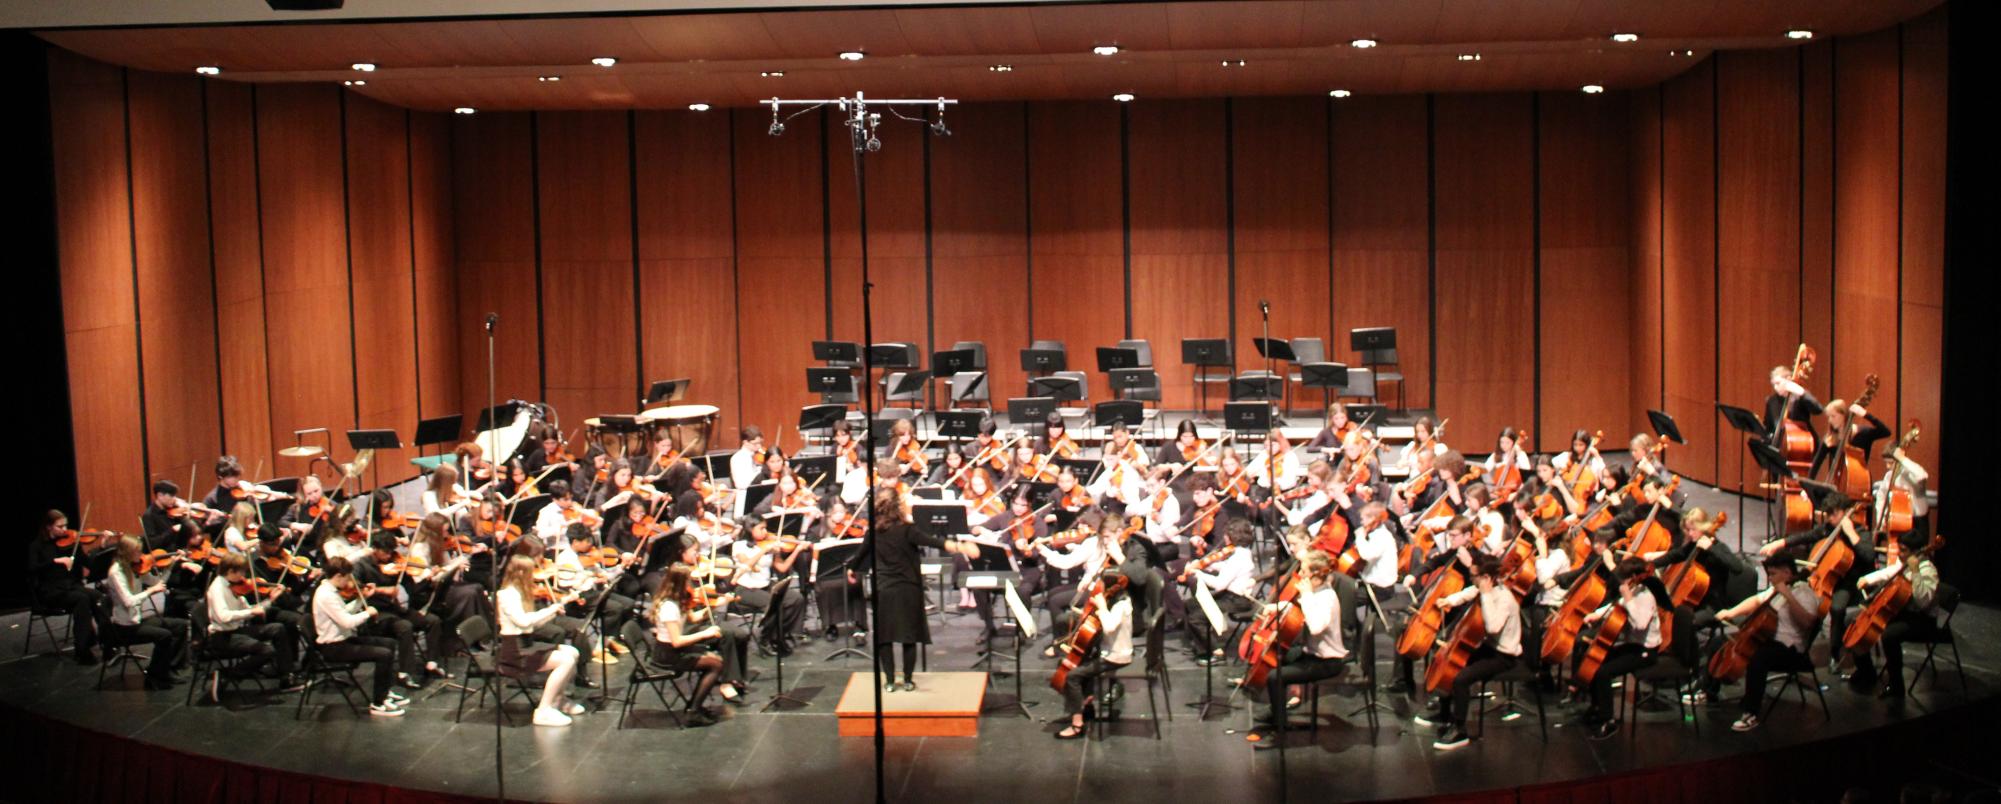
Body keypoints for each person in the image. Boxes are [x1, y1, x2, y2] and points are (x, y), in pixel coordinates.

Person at [846, 485, 980, 692]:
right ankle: (908, 680)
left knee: (884, 637)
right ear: (898, 506)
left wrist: (851, 570)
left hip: (884, 588)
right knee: (908, 636)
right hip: (908, 588)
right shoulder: (907, 530)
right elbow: (935, 542)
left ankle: (890, 681)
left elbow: (860, 555)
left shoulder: (873, 532)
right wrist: (961, 546)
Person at [1245, 549, 1348, 748]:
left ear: (1316, 576)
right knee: (1278, 656)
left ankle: (1280, 731)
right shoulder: (1317, 592)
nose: (1299, 575)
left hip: (1327, 661)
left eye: (1304, 571)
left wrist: (1306, 595)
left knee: (1276, 677)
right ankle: (1277, 711)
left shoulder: (1327, 598)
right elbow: (1297, 610)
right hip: (1312, 653)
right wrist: (1277, 607)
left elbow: (1316, 626)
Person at [1417, 555, 1521, 750]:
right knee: (1450, 666)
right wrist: (1447, 600)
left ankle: (1460, 730)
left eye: (1474, 576)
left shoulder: (1503, 598)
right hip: (1490, 648)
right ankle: (1445, 713)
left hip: (1504, 656)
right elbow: (1467, 593)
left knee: (1461, 679)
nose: (1471, 578)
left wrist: (1487, 595)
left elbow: (1492, 627)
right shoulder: (1483, 587)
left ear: (1487, 578)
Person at [1718, 555, 1821, 732]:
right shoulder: (1776, 590)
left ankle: (1752, 713)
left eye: (1773, 574)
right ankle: (1708, 691)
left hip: (1792, 651)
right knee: (1722, 642)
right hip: (1770, 641)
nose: (1770, 578)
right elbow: (1757, 600)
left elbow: (1808, 622)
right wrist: (1731, 612)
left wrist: (1787, 595)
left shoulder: (1804, 592)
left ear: (1787, 573)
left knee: (1759, 658)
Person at [1577, 557, 1669, 739]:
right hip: (1631, 645)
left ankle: (1608, 720)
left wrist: (1628, 598)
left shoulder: (1646, 596)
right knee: (1594, 659)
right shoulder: (1632, 589)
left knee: (1604, 672)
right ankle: (1597, 706)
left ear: (1634, 577)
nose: (1622, 581)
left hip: (1645, 651)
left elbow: (1640, 624)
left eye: (1625, 578)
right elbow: (1615, 607)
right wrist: (1595, 615)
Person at [1847, 529, 1941, 698]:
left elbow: (1923, 602)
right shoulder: (1904, 563)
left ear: (1915, 552)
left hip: (1923, 620)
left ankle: (1897, 686)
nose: (1899, 553)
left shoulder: (1928, 571)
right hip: (1905, 613)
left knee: (1890, 635)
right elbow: (1891, 571)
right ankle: (1866, 672)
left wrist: (1916, 573)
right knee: (1853, 620)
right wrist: (1868, 579)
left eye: (1903, 550)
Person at [494, 555, 586, 726]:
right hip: (515, 650)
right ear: (520, 572)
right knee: (564, 661)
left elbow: (532, 625)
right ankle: (543, 710)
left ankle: (559, 699)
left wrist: (554, 610)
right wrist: (550, 609)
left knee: (572, 651)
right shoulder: (506, 595)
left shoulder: (520, 593)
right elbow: (523, 622)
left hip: (527, 642)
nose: (534, 576)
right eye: (530, 572)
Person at [312, 557, 408, 717]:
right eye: (347, 577)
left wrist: (361, 599)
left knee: (389, 643)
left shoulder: (331, 592)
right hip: (333, 648)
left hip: (343, 640)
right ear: (338, 576)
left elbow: (345, 612)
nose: (350, 581)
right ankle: (377, 703)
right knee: (383, 654)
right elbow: (347, 622)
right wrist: (367, 613)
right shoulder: (326, 595)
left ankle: (384, 692)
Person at [204, 552, 302, 694]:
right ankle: (228, 674)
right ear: (231, 571)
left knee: (278, 628)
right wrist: (250, 612)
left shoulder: (234, 585)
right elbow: (223, 616)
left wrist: (271, 600)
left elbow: (252, 610)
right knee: (267, 651)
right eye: (242, 572)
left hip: (235, 631)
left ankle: (286, 677)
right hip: (222, 637)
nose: (244, 576)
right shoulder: (217, 588)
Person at [1054, 568, 1133, 740]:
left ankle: (1077, 725)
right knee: (1082, 661)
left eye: (1103, 584)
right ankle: (1086, 705)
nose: (1100, 587)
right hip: (1108, 652)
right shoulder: (1117, 600)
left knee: (1072, 676)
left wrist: (1102, 607)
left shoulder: (1121, 605)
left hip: (1116, 656)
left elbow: (1110, 627)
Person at [649, 563, 732, 726]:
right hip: (668, 655)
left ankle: (694, 706)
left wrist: (716, 605)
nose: (691, 585)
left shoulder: (678, 600)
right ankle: (693, 711)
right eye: (688, 581)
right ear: (680, 582)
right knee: (716, 665)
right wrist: (705, 633)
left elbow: (693, 618)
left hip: (673, 650)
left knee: (713, 658)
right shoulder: (669, 607)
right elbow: (677, 641)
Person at [103, 536, 188, 690]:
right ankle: (155, 676)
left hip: (138, 619)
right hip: (125, 626)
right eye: (137, 551)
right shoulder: (116, 573)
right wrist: (149, 592)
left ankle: (168, 669)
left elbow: (158, 582)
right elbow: (129, 601)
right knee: (164, 636)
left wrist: (172, 563)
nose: (141, 555)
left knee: (181, 626)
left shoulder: (136, 567)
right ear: (127, 553)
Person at [29, 510, 102, 665]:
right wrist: (55, 561)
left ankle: (107, 640)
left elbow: (88, 563)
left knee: (97, 596)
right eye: (60, 526)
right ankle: (82, 649)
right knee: (82, 599)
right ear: (49, 527)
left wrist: (102, 548)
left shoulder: (70, 542)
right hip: (50, 592)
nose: (65, 529)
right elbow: (32, 569)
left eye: (66, 525)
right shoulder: (37, 546)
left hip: (71, 587)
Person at [732, 516, 809, 655]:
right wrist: (763, 551)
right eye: (761, 528)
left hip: (766, 585)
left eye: (765, 528)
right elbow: (747, 565)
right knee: (774, 604)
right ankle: (765, 639)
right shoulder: (739, 546)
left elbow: (782, 568)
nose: (765, 531)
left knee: (796, 599)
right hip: (746, 589)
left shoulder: (768, 544)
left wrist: (796, 550)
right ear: (750, 529)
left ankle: (779, 633)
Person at [730, 426, 767, 490]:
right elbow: (741, 484)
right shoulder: (737, 459)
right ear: (745, 442)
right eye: (755, 443)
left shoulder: (760, 454)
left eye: (760, 442)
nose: (759, 446)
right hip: (746, 493)